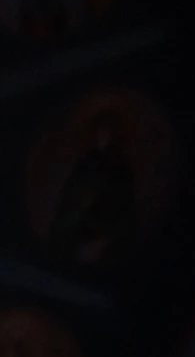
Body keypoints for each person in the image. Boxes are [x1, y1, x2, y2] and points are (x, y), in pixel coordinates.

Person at [46, 108, 138, 269]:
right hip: (79, 225)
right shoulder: (85, 162)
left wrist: (102, 241)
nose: (103, 135)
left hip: (105, 229)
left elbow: (126, 210)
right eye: (100, 130)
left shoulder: (121, 167)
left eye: (107, 131)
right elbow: (70, 195)